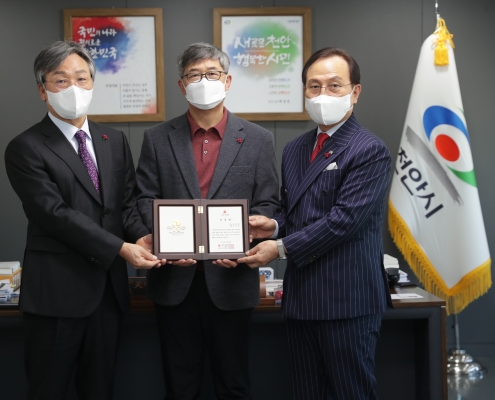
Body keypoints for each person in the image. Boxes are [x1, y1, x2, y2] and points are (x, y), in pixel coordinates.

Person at [4, 41, 160, 400]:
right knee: (48, 391)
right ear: (42, 90)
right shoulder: (26, 147)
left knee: (100, 390)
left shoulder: (113, 140)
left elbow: (125, 205)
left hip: (108, 294)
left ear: (92, 83)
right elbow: (54, 214)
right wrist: (121, 248)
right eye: (61, 80)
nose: (73, 88)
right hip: (56, 294)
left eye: (81, 78)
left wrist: (143, 237)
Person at [238, 47, 393, 399]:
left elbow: (343, 221)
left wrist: (279, 247)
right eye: (314, 85)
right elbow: (294, 212)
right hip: (302, 297)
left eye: (335, 85)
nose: (323, 94)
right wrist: (273, 226)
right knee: (307, 392)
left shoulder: (368, 149)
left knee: (350, 392)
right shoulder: (295, 148)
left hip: (347, 300)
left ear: (355, 92)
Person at [135, 42, 280, 399]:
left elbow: (268, 202)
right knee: (180, 387)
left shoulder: (258, 139)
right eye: (194, 75)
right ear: (182, 85)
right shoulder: (157, 138)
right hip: (174, 282)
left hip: (232, 280)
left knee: (233, 384)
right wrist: (163, 240)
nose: (204, 81)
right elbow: (144, 198)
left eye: (212, 74)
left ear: (227, 81)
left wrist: (249, 238)